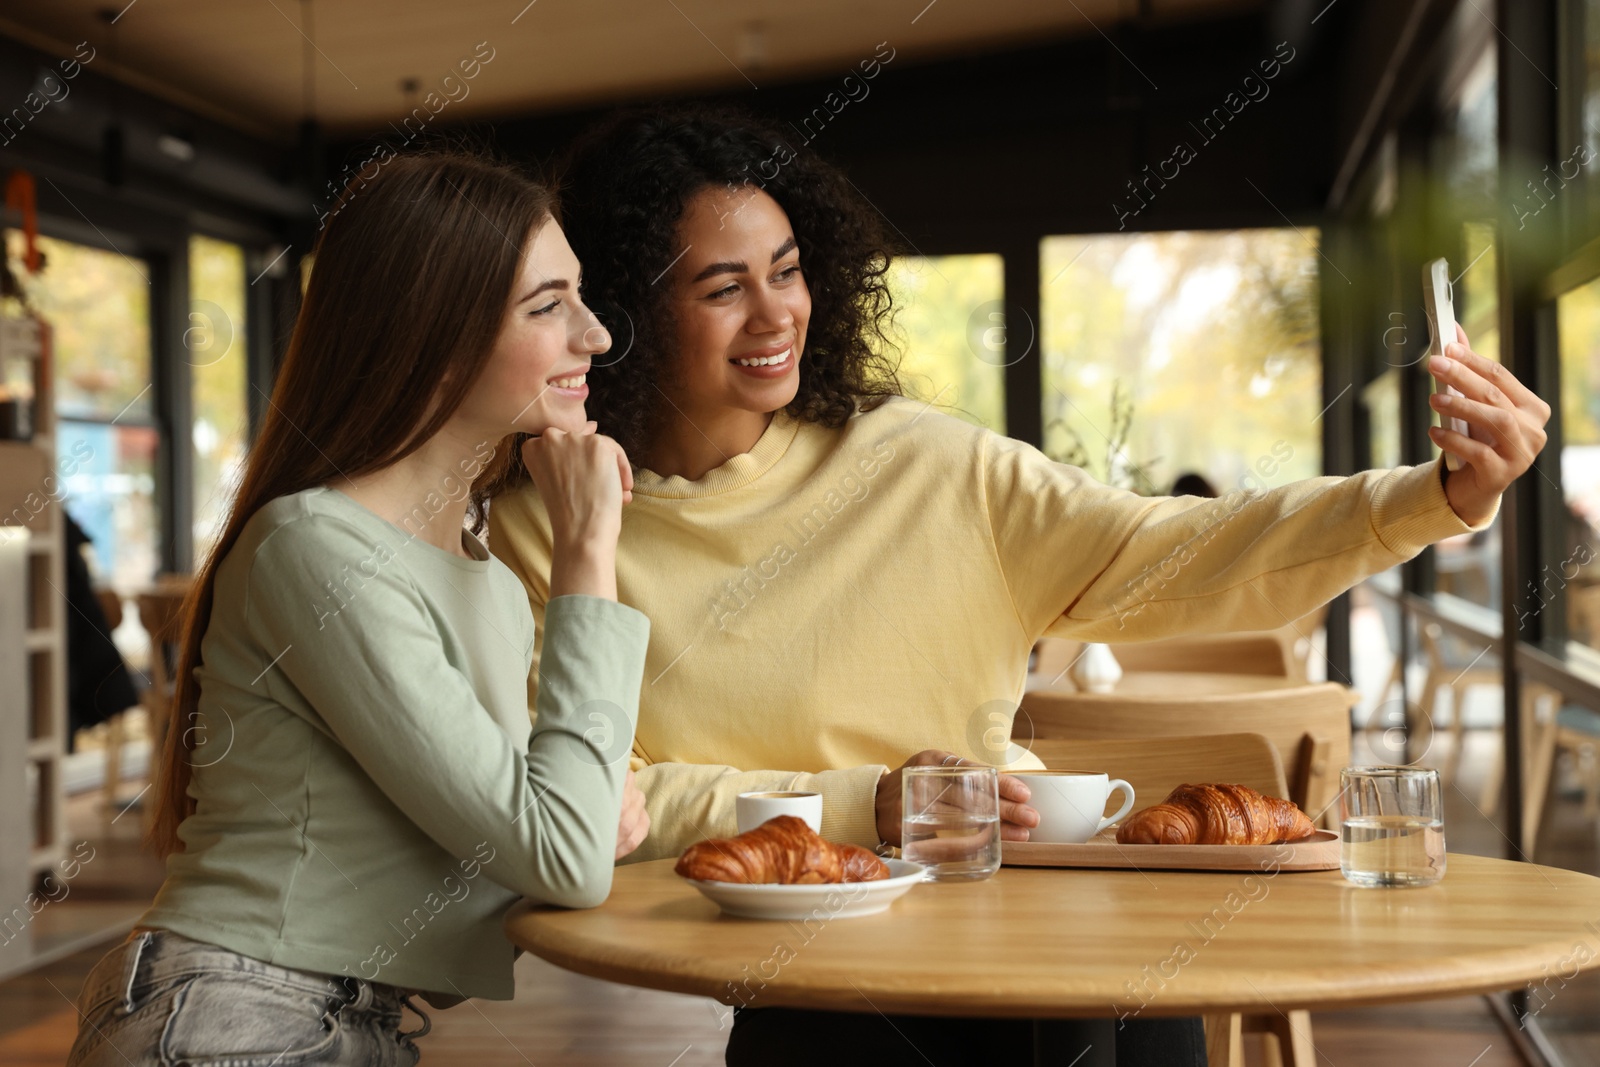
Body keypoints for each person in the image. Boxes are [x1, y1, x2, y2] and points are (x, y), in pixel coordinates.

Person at [480, 106, 1549, 1067]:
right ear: (622, 311)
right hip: (819, 965)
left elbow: (1182, 549)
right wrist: (873, 803)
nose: (775, 315)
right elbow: (590, 801)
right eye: (722, 287)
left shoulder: (928, 465)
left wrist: (1434, 495)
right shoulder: (556, 530)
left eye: (788, 268)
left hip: (1044, 923)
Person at [66, 152, 650, 1066]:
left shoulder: (487, 582)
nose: (597, 335)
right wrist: (586, 551)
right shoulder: (315, 549)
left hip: (347, 1022)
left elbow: (502, 880)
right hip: (233, 1014)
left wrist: (577, 814)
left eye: (580, 298)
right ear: (435, 332)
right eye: (548, 306)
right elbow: (561, 854)